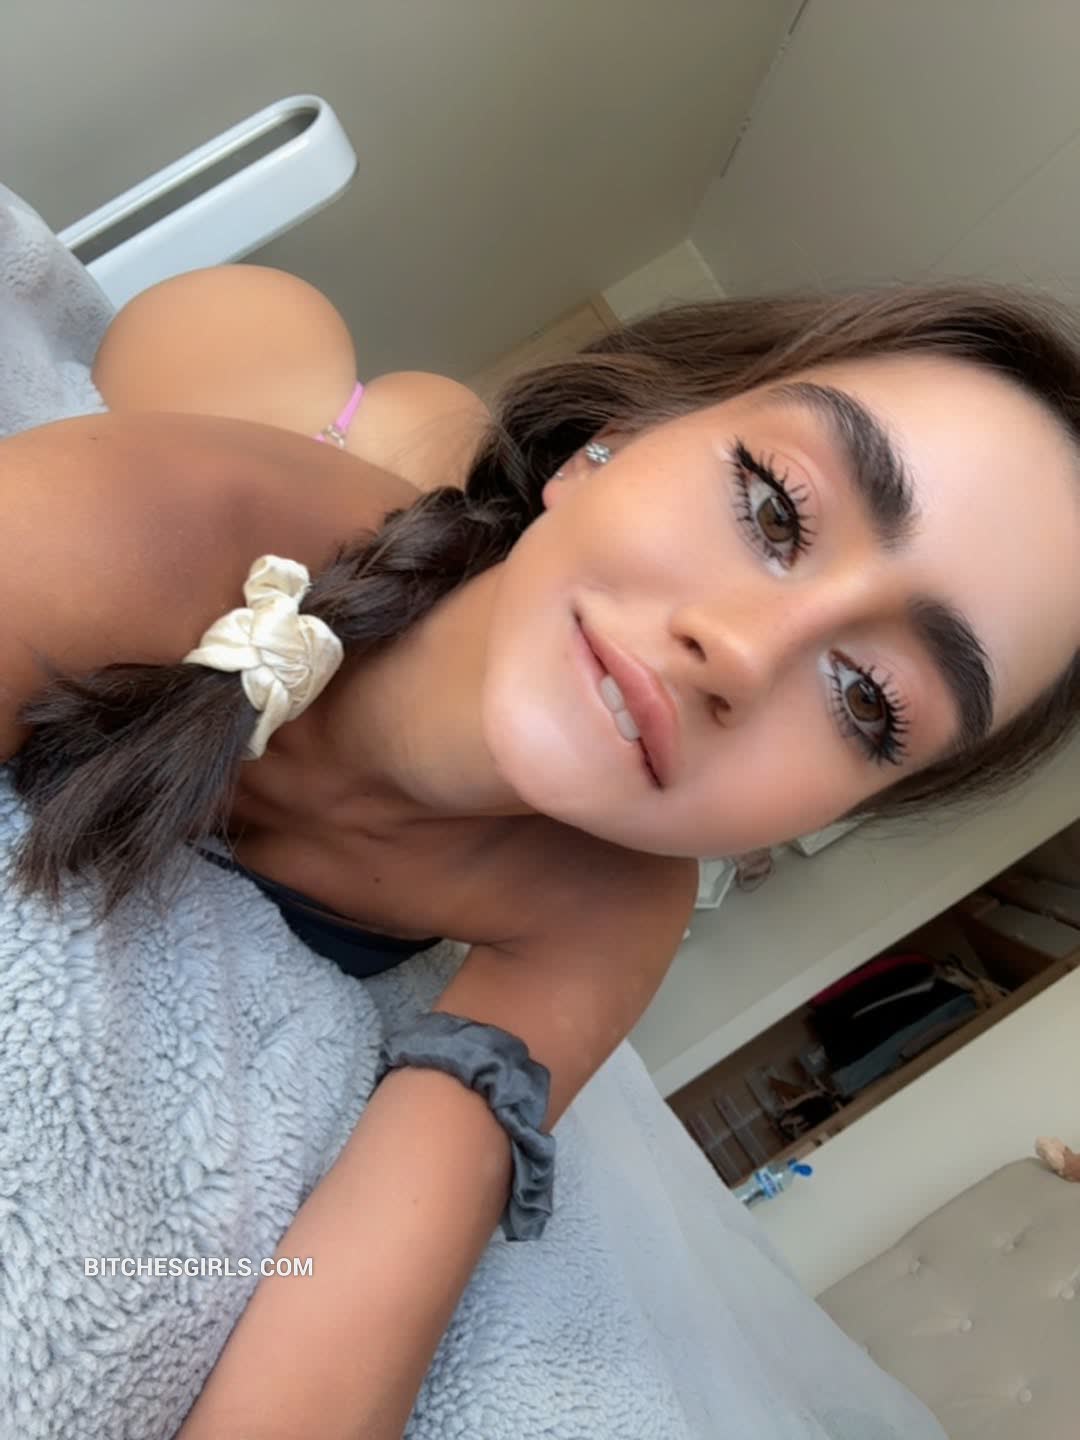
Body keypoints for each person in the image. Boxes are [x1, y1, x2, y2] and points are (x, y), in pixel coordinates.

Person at [5, 265, 1080, 1438]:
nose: (741, 650)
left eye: (869, 700)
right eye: (775, 510)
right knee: (313, 361)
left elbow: (336, 1344)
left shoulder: (618, 906)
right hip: (268, 399)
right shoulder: (158, 518)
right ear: (611, 440)